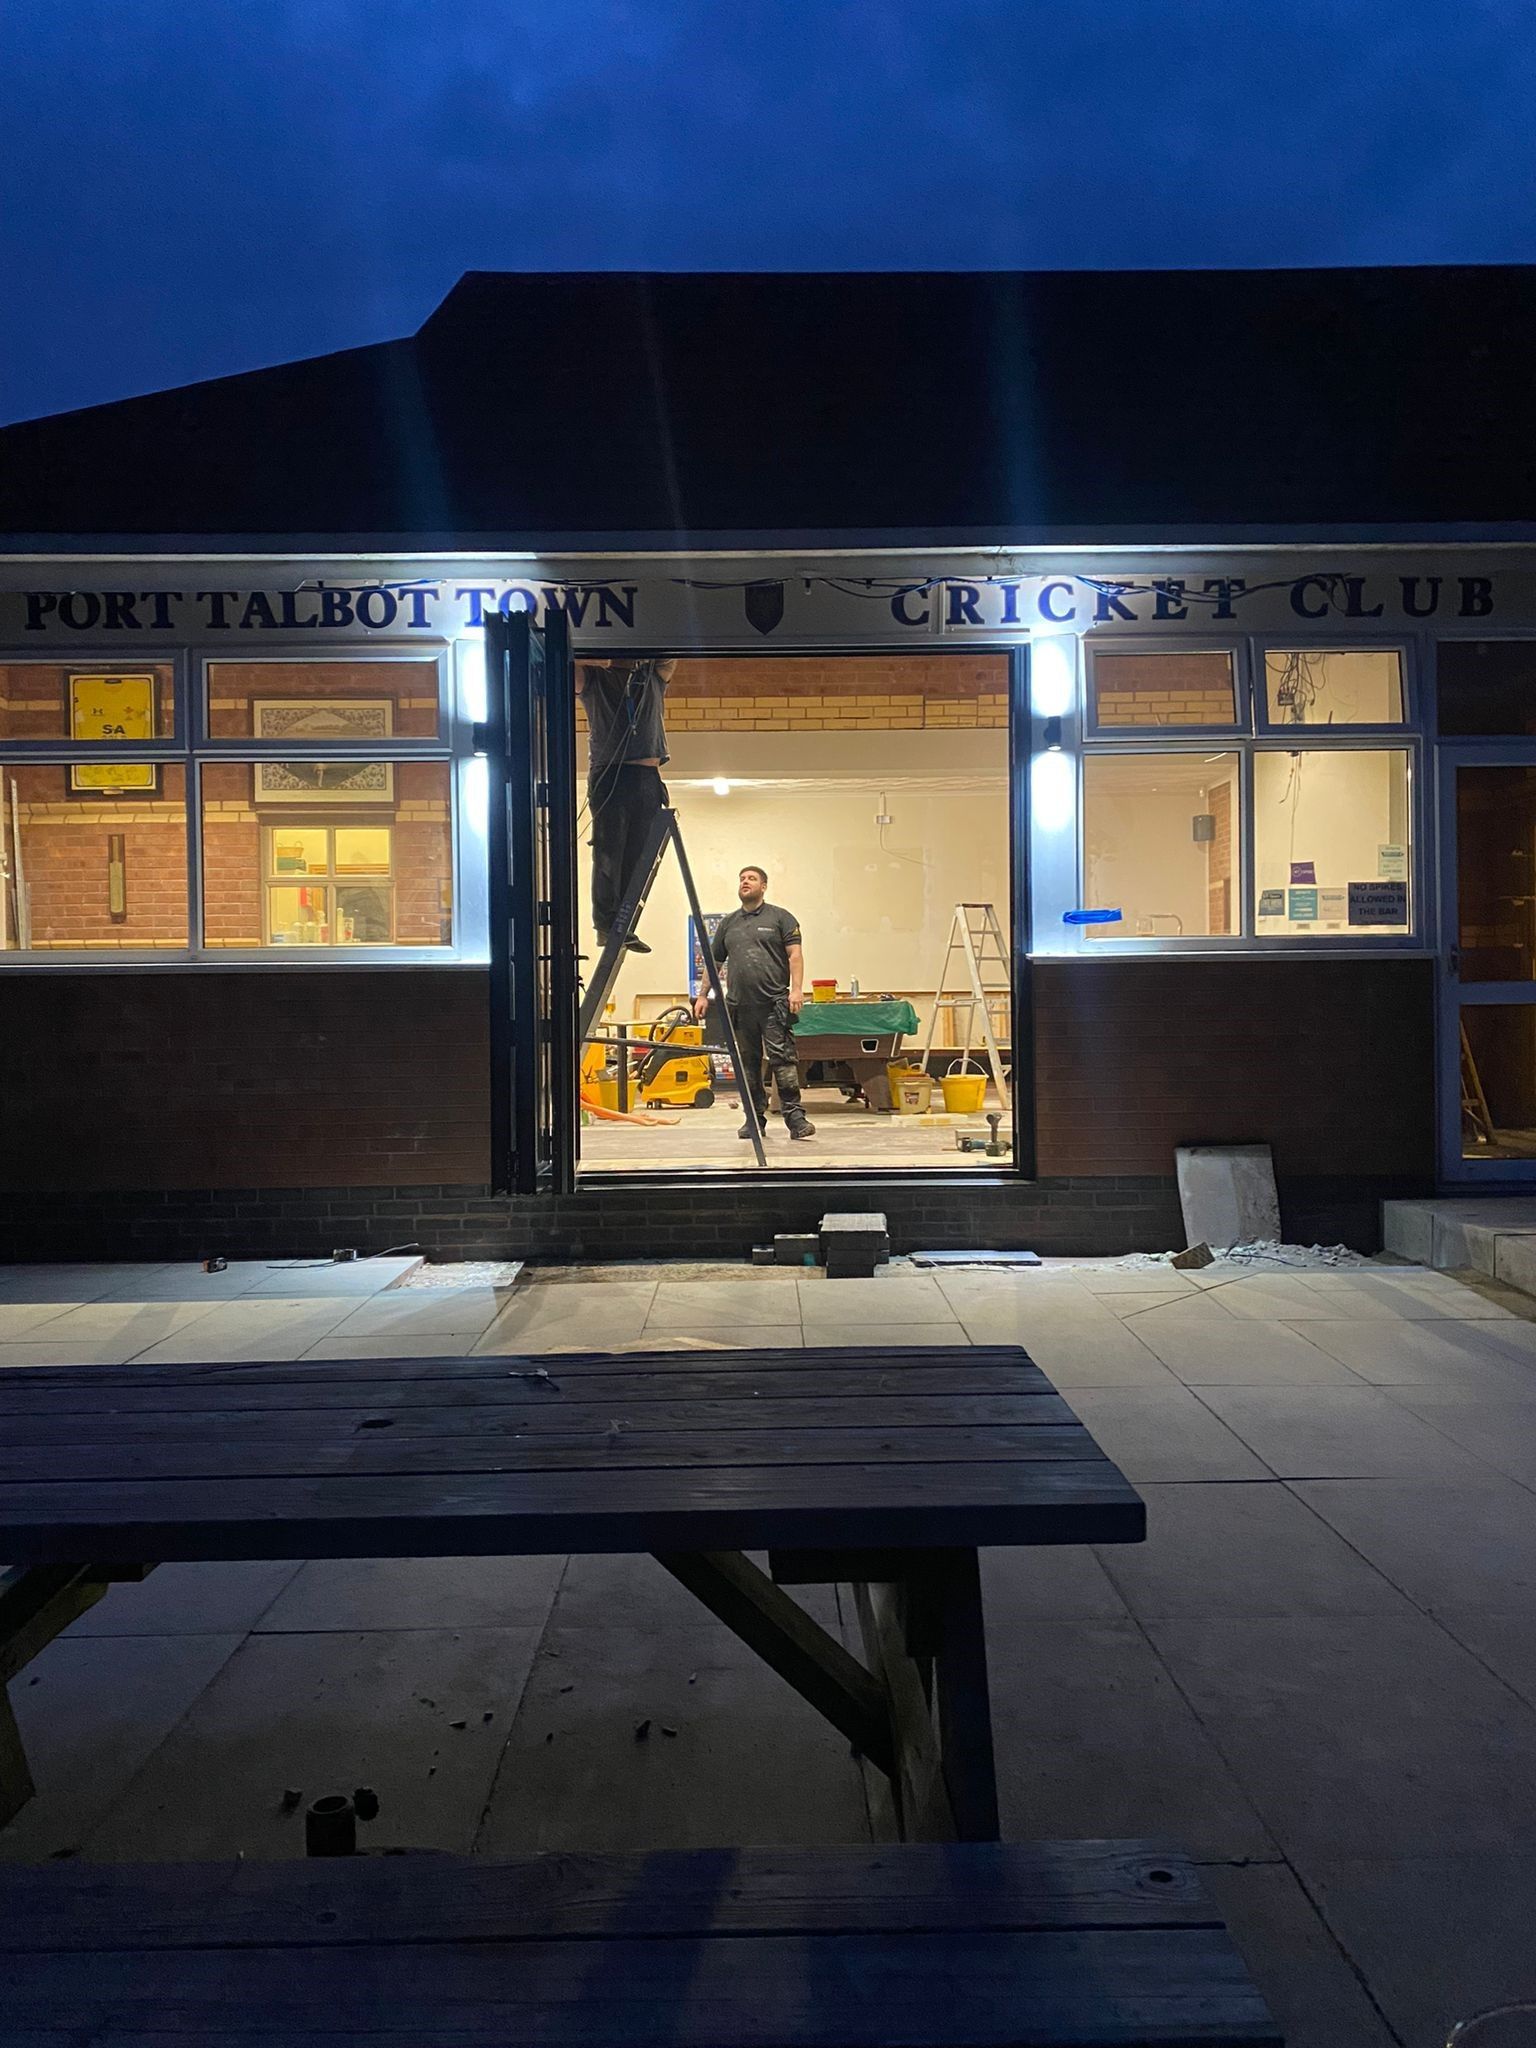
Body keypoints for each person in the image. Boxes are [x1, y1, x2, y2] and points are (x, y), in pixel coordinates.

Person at [695, 866, 816, 1141]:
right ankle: (753, 1121)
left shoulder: (781, 918)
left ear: (764, 886)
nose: (745, 882)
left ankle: (796, 1120)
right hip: (740, 1007)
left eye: (751, 878)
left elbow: (794, 955)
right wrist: (703, 995)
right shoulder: (729, 923)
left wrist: (796, 990)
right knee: (748, 1064)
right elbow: (714, 964)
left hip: (773, 1004)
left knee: (783, 1062)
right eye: (741, 879)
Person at [580, 654, 677, 954]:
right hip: (612, 774)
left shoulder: (650, 677)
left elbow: (670, 656)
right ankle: (607, 926)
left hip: (647, 775)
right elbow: (565, 666)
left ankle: (624, 926)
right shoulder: (595, 679)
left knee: (638, 854)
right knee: (611, 852)